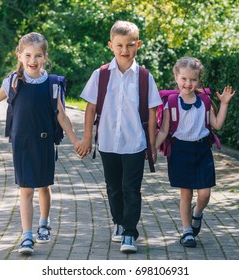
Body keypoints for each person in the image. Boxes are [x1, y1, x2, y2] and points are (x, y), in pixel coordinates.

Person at [0, 32, 80, 255]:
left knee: (44, 187)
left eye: (38, 55)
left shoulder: (52, 84)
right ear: (19, 56)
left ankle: (44, 223)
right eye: (28, 55)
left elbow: (61, 115)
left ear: (45, 57)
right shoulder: (13, 82)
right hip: (21, 143)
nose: (33, 60)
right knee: (26, 189)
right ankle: (27, 236)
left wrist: (76, 140)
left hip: (44, 142)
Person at [76, 20, 162, 253]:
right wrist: (85, 139)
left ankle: (130, 233)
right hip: (107, 142)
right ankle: (119, 222)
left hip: (135, 143)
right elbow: (91, 108)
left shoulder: (145, 77)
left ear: (138, 45)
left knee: (130, 188)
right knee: (113, 187)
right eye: (120, 45)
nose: (125, 50)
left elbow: (153, 113)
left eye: (130, 45)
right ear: (111, 45)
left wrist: (152, 145)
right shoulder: (101, 75)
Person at [155, 56, 235, 247]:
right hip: (180, 150)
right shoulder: (171, 102)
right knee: (186, 193)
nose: (188, 83)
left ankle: (197, 214)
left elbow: (217, 124)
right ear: (176, 77)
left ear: (199, 80)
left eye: (193, 79)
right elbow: (165, 130)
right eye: (184, 78)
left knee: (205, 193)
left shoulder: (205, 101)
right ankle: (187, 231)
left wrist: (223, 104)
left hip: (201, 150)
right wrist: (151, 148)